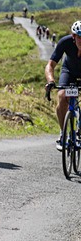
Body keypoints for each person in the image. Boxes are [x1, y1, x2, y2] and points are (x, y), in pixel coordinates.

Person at [45, 21, 81, 150]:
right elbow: (50, 65)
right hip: (69, 71)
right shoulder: (65, 42)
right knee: (61, 96)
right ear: (73, 36)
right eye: (79, 37)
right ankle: (63, 133)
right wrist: (50, 81)